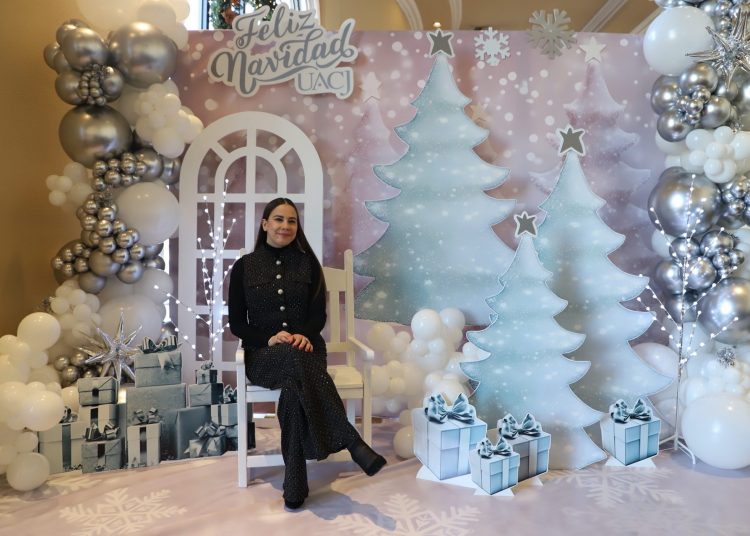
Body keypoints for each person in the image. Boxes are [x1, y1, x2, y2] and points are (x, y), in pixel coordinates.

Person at [228, 197, 386, 510]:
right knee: (291, 360)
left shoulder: (308, 263)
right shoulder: (244, 267)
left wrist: (304, 334)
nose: (285, 226)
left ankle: (295, 484)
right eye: (278, 219)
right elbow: (237, 324)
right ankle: (350, 440)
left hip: (308, 349)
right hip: (264, 357)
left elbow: (318, 317)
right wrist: (269, 338)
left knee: (293, 387)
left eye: (291, 221)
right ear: (265, 224)